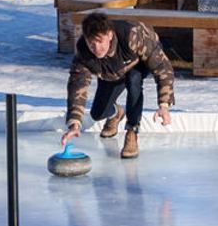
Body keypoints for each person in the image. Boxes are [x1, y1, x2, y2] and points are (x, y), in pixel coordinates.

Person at [64, 9, 175, 160]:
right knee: (97, 113)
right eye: (92, 44)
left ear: (109, 35)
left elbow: (162, 67)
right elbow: (77, 86)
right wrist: (75, 122)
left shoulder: (132, 35)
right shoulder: (84, 52)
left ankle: (132, 131)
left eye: (100, 41)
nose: (96, 49)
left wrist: (164, 105)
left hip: (137, 63)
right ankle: (117, 113)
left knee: (134, 81)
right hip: (110, 72)